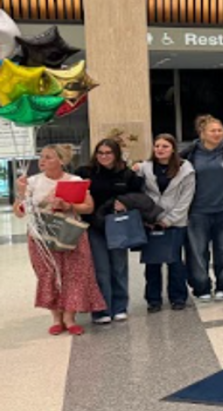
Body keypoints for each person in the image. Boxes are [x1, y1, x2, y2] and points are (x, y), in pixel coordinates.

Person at [18, 145, 104, 335]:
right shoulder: (32, 182)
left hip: (70, 233)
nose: (43, 161)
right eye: (42, 157)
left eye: (49, 157)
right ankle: (56, 318)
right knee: (48, 274)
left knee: (75, 273)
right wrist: (20, 193)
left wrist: (68, 205)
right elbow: (20, 212)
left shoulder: (75, 181)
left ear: (62, 161)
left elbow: (88, 207)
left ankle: (69, 318)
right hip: (42, 236)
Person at [78, 138, 145, 324]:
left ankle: (120, 306)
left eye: (108, 153)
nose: (104, 156)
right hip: (94, 227)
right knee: (101, 270)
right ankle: (101, 309)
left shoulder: (126, 175)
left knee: (119, 267)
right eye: (100, 153)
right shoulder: (85, 173)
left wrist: (125, 202)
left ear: (116, 154)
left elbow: (140, 194)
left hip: (118, 226)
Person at [182, 117, 223, 301]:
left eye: (219, 130)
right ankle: (201, 288)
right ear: (202, 133)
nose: (217, 134)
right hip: (197, 212)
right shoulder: (190, 153)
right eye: (213, 131)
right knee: (197, 252)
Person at [136, 134, 195, 312]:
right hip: (150, 220)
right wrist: (150, 217)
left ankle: (178, 297)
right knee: (152, 263)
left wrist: (169, 220)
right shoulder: (144, 168)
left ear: (173, 149)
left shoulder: (186, 169)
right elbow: (138, 193)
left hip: (176, 222)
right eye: (157, 146)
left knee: (175, 261)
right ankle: (153, 300)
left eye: (165, 146)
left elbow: (186, 198)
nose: (160, 150)